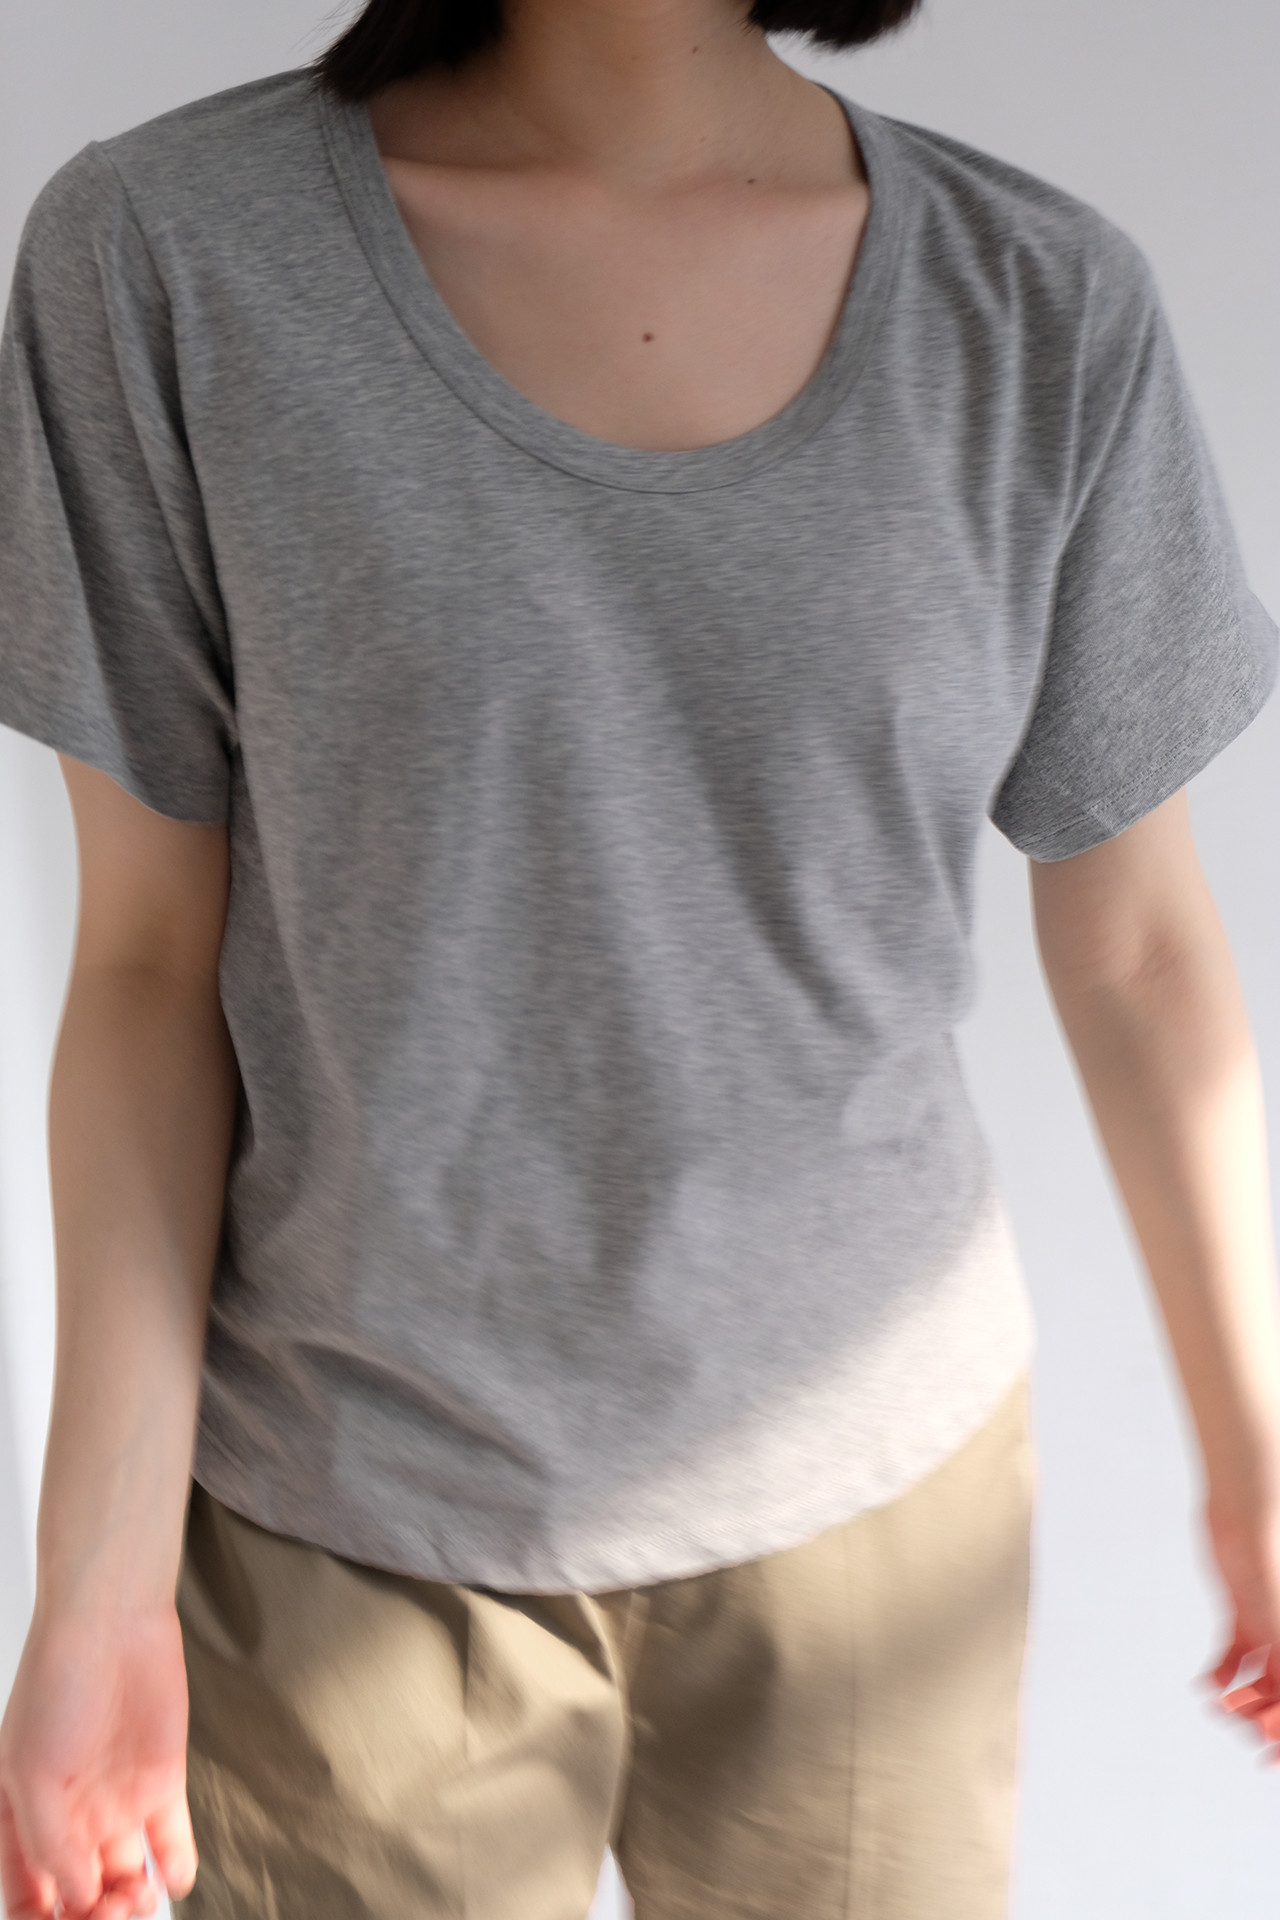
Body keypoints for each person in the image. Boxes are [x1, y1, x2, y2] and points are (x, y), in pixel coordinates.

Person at [1, 0, 1279, 1913]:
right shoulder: (167, 257)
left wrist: (1260, 1464)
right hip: (347, 1522)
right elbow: (142, 970)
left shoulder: (1038, 305)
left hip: (884, 1516)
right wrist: (94, 1593)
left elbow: (1146, 957)